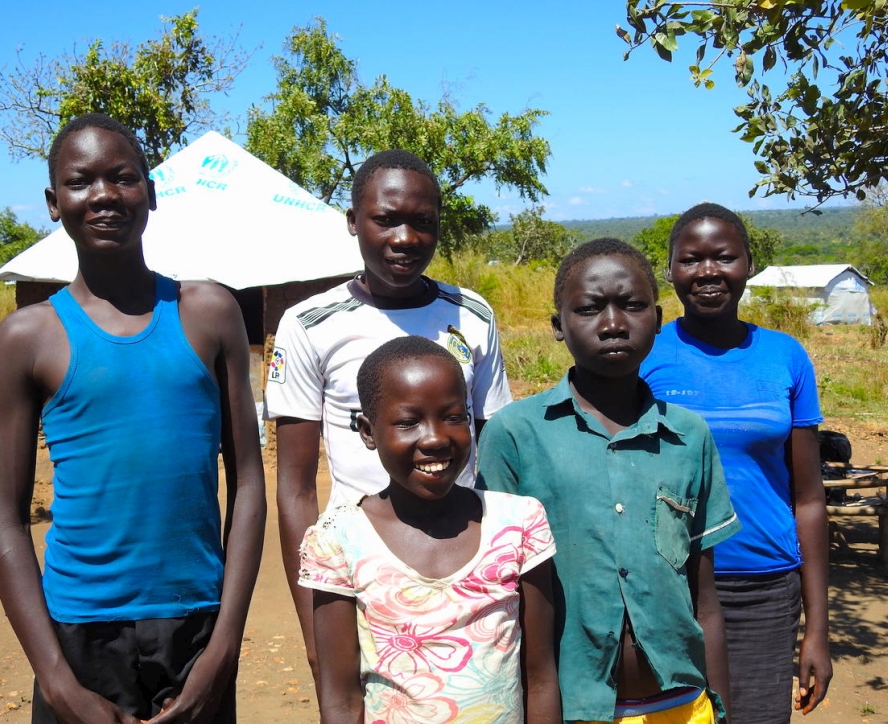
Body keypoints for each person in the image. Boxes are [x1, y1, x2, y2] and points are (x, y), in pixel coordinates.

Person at [0, 113, 267, 724]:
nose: (106, 195)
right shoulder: (29, 337)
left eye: (124, 177)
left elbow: (248, 482)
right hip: (78, 632)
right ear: (54, 202)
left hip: (196, 625)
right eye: (81, 181)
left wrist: (223, 650)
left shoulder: (209, 313)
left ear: (152, 191)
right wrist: (56, 681)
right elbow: (4, 515)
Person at [264, 149, 512, 681]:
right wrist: (315, 628)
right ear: (353, 221)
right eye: (386, 219)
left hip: (463, 562)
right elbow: (296, 488)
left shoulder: (471, 315)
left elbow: (495, 451)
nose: (405, 238)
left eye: (422, 222)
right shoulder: (310, 325)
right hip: (359, 570)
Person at [478, 239, 740, 723]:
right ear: (558, 325)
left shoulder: (689, 435)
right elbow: (498, 601)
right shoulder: (514, 435)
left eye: (633, 305)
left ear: (658, 319)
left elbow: (705, 598)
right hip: (571, 707)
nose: (614, 323)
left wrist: (719, 708)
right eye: (590, 308)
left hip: (682, 706)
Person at [298, 336, 559, 723]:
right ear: (368, 432)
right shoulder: (338, 539)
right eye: (408, 422)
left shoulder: (518, 523)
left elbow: (540, 679)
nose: (436, 438)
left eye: (454, 417)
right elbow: (341, 698)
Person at [640, 203, 832, 723]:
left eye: (723, 257)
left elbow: (809, 497)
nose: (707, 272)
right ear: (672, 270)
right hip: (667, 584)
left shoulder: (785, 356)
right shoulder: (644, 355)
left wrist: (817, 628)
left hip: (764, 588)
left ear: (748, 264)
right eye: (690, 259)